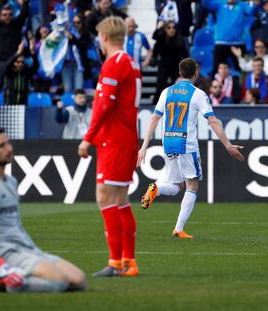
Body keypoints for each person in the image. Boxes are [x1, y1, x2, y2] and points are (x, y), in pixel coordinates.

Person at [0, 127, 86, 293]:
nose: (9, 149)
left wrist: (33, 249)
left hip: (28, 250)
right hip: (7, 255)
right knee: (60, 282)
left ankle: (7, 280)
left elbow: (16, 224)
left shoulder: (11, 182)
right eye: (1, 146)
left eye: (8, 143)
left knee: (79, 280)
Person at [138, 58, 245, 239]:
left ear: (179, 73)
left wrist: (143, 147)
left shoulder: (167, 92)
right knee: (192, 184)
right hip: (186, 144)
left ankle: (156, 188)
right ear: (195, 73)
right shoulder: (198, 94)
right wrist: (228, 145)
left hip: (168, 142)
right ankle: (178, 229)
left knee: (175, 185)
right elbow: (212, 120)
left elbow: (154, 118)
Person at [77, 17, 141, 277]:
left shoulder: (114, 64)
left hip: (114, 140)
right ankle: (128, 263)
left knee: (104, 196)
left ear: (104, 38)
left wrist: (87, 138)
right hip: (126, 137)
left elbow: (103, 105)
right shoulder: (131, 62)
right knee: (121, 199)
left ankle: (116, 262)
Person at [202, 0, 261, 76]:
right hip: (221, 43)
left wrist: (256, 3)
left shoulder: (242, 5)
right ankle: (214, 86)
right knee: (216, 69)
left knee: (240, 69)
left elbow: (251, 12)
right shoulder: (219, 4)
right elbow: (207, 4)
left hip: (238, 43)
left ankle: (240, 87)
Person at [152, 21, 188, 104]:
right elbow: (154, 37)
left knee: (176, 86)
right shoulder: (161, 39)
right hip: (163, 65)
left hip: (176, 66)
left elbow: (185, 53)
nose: (171, 30)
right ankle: (157, 104)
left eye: (173, 28)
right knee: (160, 85)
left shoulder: (179, 40)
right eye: (169, 28)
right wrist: (159, 27)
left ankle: (176, 102)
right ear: (165, 29)